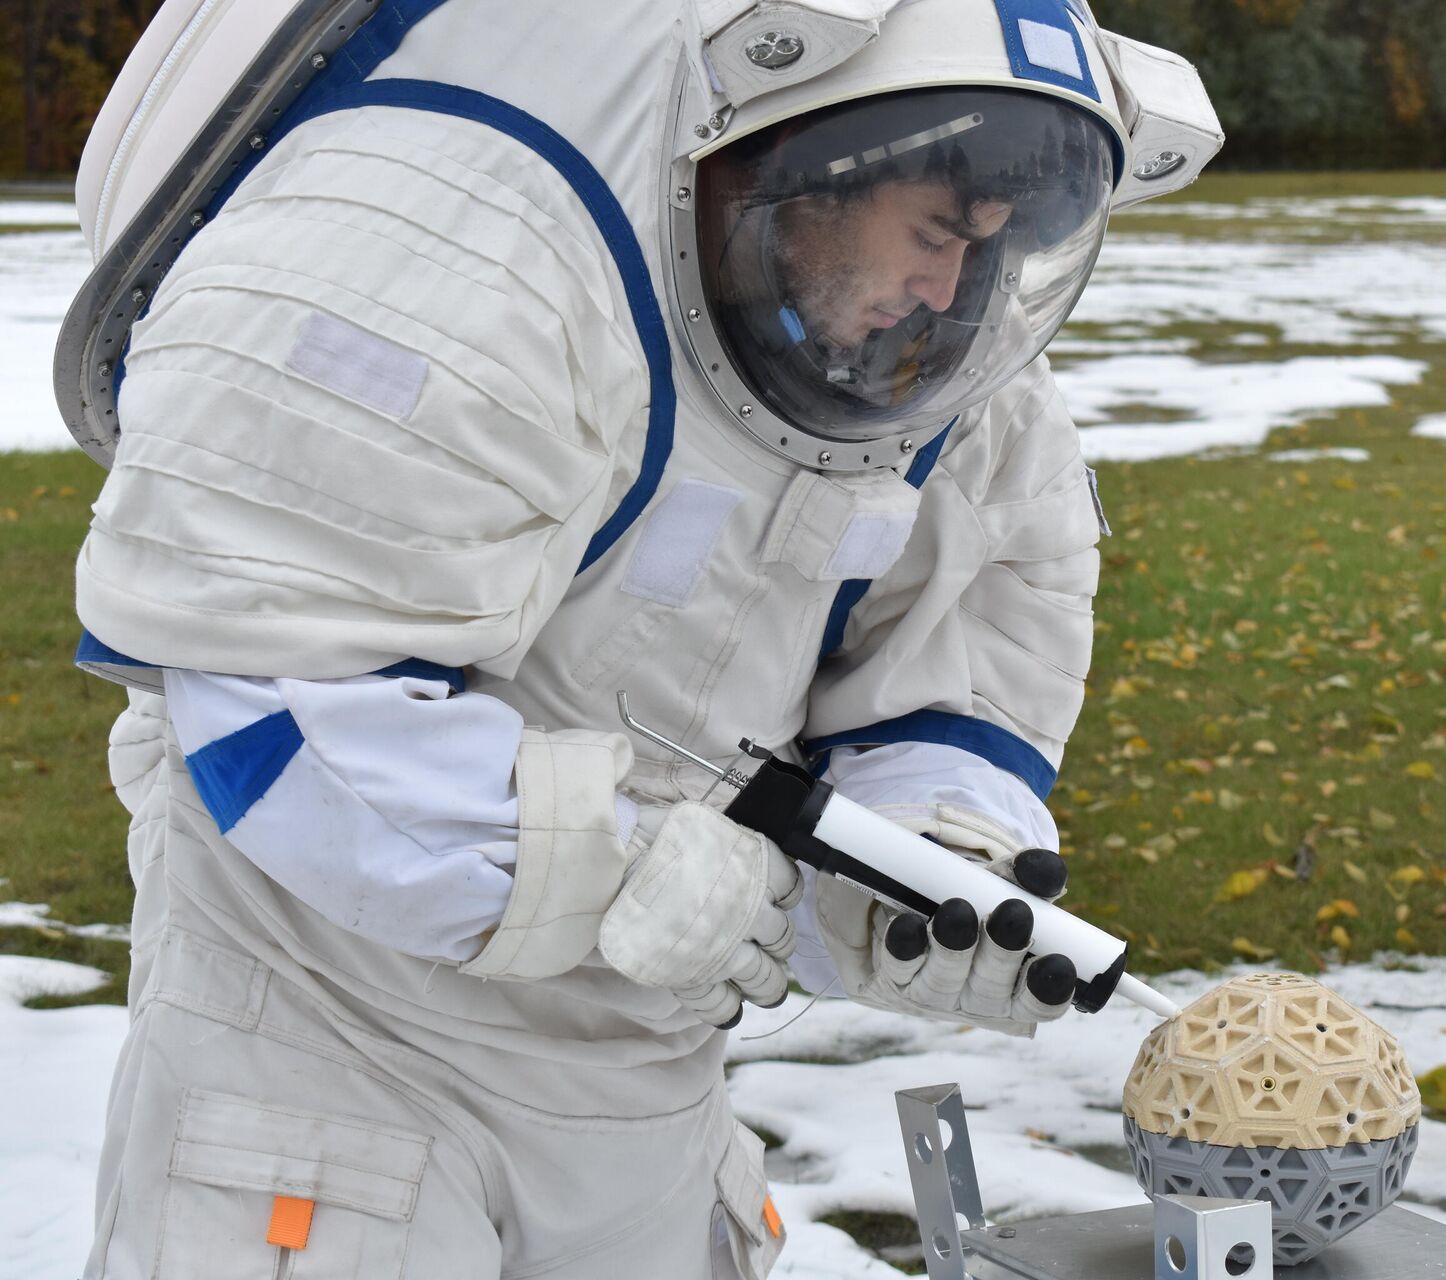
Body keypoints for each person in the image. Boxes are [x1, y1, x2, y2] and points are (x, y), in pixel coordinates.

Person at [64, 0, 1218, 1275]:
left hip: (645, 1079)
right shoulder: (467, 245)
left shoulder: (955, 381)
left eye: (989, 246)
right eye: (937, 231)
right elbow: (280, 703)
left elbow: (954, 671)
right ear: (820, 163)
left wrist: (925, 874)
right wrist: (621, 874)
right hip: (327, 1038)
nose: (949, 289)